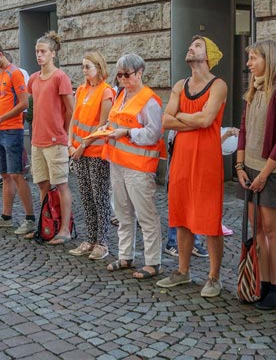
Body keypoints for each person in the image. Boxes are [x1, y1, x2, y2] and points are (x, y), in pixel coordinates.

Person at [157, 36, 228, 297]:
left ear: (208, 54)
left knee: (210, 219)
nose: (190, 47)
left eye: (197, 45)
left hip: (206, 159)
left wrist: (182, 117)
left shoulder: (218, 85)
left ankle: (214, 277)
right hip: (182, 159)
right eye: (190, 45)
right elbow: (166, 120)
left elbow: (207, 119)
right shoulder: (180, 85)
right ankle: (183, 271)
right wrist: (194, 120)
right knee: (181, 214)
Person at [232, 40, 276, 309]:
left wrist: (264, 175)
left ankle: (275, 287)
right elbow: (244, 130)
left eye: (253, 58)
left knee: (271, 230)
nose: (248, 64)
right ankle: (261, 282)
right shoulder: (254, 90)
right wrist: (239, 167)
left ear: (268, 59)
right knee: (257, 228)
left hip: (273, 169)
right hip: (250, 168)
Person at [103, 53, 166, 280]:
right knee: (123, 213)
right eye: (119, 75)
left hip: (139, 166)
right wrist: (107, 128)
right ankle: (125, 255)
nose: (121, 79)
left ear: (139, 73)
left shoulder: (149, 100)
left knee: (146, 215)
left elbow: (154, 132)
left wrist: (128, 132)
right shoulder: (121, 95)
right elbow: (116, 121)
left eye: (126, 75)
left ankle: (153, 262)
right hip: (118, 163)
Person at [0, 41, 35, 232]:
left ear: (0, 54)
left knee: (16, 174)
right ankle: (6, 216)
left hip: (12, 130)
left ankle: (29, 218)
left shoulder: (15, 73)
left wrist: (0, 118)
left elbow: (24, 103)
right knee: (5, 175)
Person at [25, 32, 74, 243]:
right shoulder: (34, 79)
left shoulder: (60, 77)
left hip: (56, 141)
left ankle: (65, 229)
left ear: (53, 54)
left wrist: (62, 132)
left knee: (61, 185)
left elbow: (71, 110)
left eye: (43, 51)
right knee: (42, 185)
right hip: (37, 140)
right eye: (37, 51)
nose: (39, 55)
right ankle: (47, 224)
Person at [68, 51, 114, 260]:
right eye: (83, 66)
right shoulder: (81, 90)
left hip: (95, 151)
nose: (84, 70)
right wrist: (70, 143)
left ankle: (102, 242)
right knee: (86, 197)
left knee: (99, 197)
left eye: (88, 66)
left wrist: (83, 144)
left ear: (98, 67)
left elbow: (102, 125)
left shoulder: (106, 92)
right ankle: (90, 238)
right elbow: (73, 119)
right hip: (78, 150)